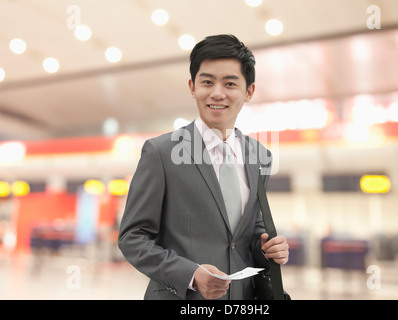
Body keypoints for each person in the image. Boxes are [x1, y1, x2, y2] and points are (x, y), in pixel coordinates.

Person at [118, 34, 289, 300]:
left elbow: (250, 234)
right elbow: (133, 237)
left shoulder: (259, 156)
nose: (217, 93)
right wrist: (191, 274)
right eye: (207, 82)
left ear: (249, 92)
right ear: (192, 86)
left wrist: (268, 248)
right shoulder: (162, 153)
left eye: (230, 83)